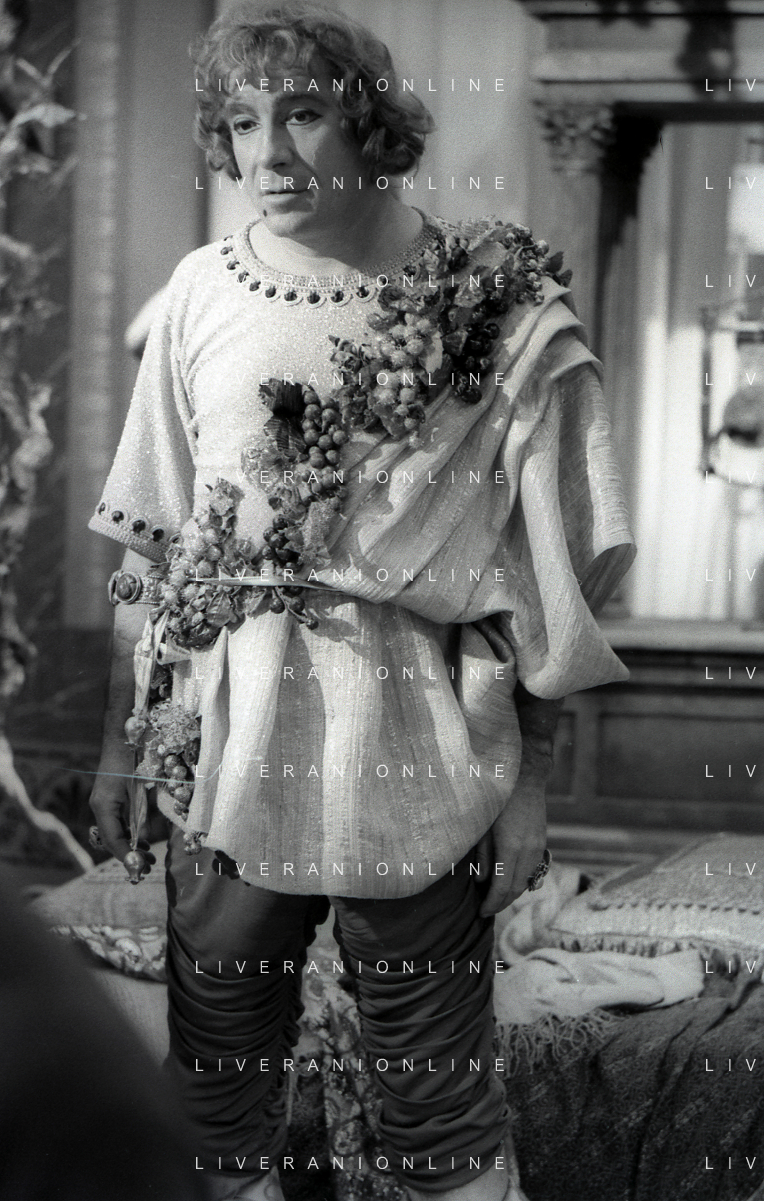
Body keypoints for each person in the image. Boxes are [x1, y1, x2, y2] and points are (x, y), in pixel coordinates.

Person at [88, 2, 635, 1198]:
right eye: (241, 123)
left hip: (422, 738)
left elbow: (552, 580)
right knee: (216, 1090)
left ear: (371, 126)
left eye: (302, 115)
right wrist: (123, 747)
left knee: (436, 1100)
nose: (268, 155)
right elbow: (149, 539)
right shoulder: (199, 291)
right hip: (225, 735)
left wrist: (529, 786)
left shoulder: (492, 307)